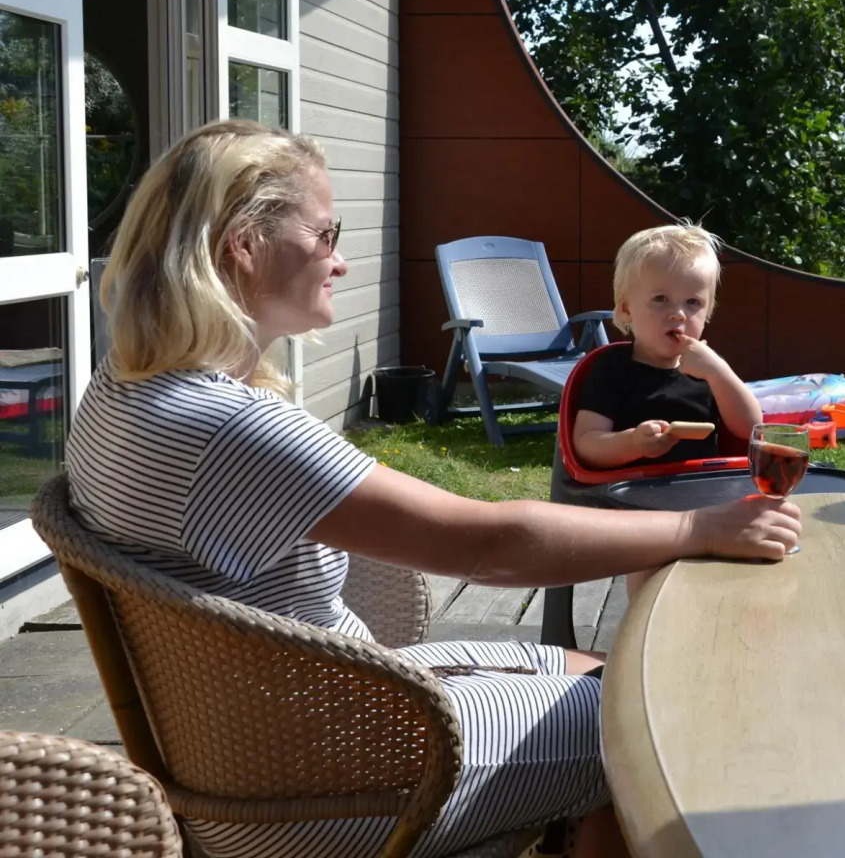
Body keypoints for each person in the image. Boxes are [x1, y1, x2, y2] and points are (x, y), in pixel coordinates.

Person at [66, 121, 801, 858]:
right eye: (326, 235)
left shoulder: (124, 393)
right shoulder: (225, 427)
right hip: (328, 788)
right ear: (244, 244)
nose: (343, 261)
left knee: (605, 674)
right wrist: (696, 531)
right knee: (655, 714)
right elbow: (489, 544)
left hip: (259, 748)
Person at [572, 225, 762, 470]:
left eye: (693, 302)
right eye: (661, 299)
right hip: (626, 492)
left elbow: (751, 428)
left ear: (708, 313)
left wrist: (719, 373)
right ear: (627, 309)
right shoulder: (612, 367)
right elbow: (586, 444)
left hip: (701, 489)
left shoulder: (708, 371)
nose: (678, 314)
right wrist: (633, 443)